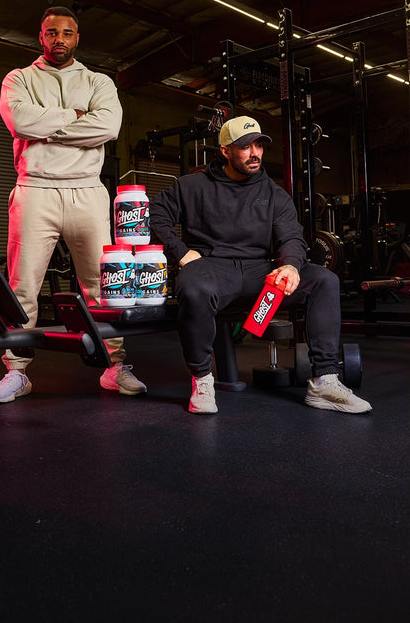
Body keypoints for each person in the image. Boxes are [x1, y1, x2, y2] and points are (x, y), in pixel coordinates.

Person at [149, 115, 372, 415]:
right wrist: (181, 252)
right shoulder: (192, 186)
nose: (254, 153)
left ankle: (324, 381)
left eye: (259, 145)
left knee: (324, 281)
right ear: (225, 151)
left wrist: (290, 266)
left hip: (259, 271)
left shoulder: (273, 193)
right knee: (194, 285)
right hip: (212, 267)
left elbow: (291, 236)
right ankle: (202, 379)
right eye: (245, 147)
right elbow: (155, 214)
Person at [0, 6, 146, 402]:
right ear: (41, 37)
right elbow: (20, 122)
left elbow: (107, 126)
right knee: (22, 286)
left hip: (86, 190)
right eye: (52, 32)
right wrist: (75, 119)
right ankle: (17, 371)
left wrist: (47, 127)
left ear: (77, 38)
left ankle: (114, 367)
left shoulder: (98, 81)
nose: (59, 39)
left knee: (104, 284)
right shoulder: (18, 78)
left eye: (67, 33)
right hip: (34, 188)